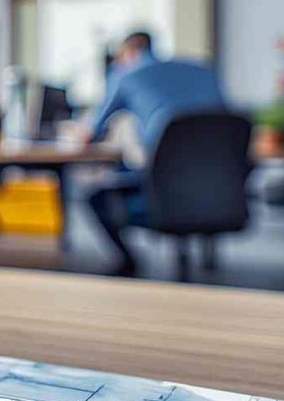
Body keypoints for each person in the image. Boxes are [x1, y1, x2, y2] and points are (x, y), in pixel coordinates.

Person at [85, 31, 226, 276]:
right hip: (220, 193)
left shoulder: (125, 74)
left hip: (162, 191)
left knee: (97, 198)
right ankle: (207, 253)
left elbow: (91, 132)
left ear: (130, 52)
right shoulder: (203, 70)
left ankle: (130, 264)